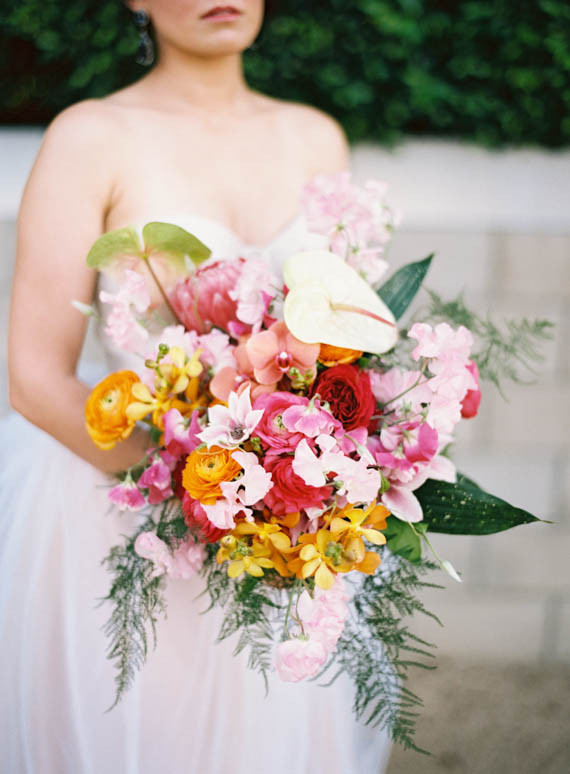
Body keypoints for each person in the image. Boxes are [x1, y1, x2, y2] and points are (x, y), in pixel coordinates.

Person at [1, 2, 393, 771]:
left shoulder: (317, 137)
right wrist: (196, 498)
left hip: (286, 533)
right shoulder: (90, 138)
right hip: (128, 522)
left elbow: (354, 339)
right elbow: (33, 378)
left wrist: (299, 495)